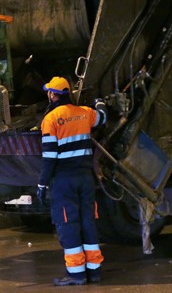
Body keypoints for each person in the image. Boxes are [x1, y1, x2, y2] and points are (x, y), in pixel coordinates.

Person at [38, 77, 107, 286]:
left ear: (52, 94)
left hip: (64, 180)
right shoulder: (84, 113)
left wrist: (42, 184)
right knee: (88, 222)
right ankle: (94, 272)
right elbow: (102, 117)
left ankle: (76, 274)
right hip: (85, 178)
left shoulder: (51, 119)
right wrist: (100, 102)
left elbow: (49, 157)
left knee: (68, 224)